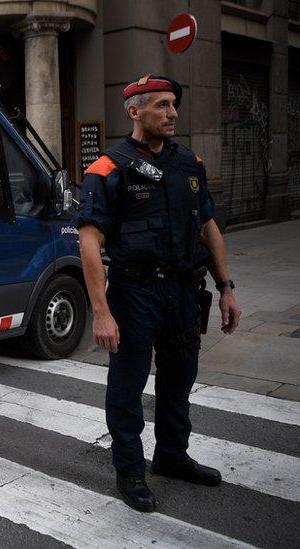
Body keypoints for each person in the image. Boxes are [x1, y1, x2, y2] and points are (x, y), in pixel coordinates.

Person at [75, 73, 242, 512]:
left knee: (179, 381)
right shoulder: (108, 168)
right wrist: (101, 311)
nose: (172, 113)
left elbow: (208, 227)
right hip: (135, 293)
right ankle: (130, 469)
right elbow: (89, 241)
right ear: (134, 111)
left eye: (173, 105)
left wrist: (225, 288)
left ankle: (171, 456)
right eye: (162, 105)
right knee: (127, 387)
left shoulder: (190, 163)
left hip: (184, 291)